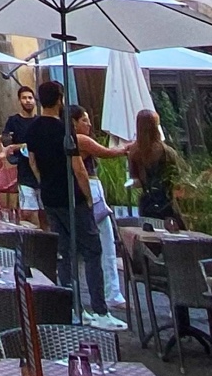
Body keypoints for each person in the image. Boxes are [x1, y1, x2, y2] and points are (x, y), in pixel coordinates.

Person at [25, 79, 119, 330]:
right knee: (92, 250)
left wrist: (44, 183)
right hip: (71, 197)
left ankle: (71, 306)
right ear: (60, 99)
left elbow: (33, 162)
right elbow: (78, 168)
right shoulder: (65, 131)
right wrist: (87, 195)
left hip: (50, 197)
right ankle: (99, 309)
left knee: (64, 252)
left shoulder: (33, 129)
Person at [69, 103, 124, 313]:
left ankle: (109, 291)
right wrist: (128, 147)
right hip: (90, 190)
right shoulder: (79, 140)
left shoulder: (69, 140)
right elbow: (107, 152)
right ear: (74, 122)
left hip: (86, 191)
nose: (89, 124)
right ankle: (112, 293)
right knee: (105, 242)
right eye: (84, 120)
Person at [125, 108, 179, 224]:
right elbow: (176, 180)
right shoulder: (167, 152)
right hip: (167, 203)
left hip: (146, 204)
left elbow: (135, 181)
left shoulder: (133, 151)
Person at [1, 84, 41, 217]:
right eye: (24, 98)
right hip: (24, 173)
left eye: (30, 97)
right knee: (28, 212)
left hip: (42, 171)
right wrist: (20, 146)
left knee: (45, 212)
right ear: (19, 100)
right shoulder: (13, 121)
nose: (28, 101)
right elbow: (6, 142)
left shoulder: (40, 121)